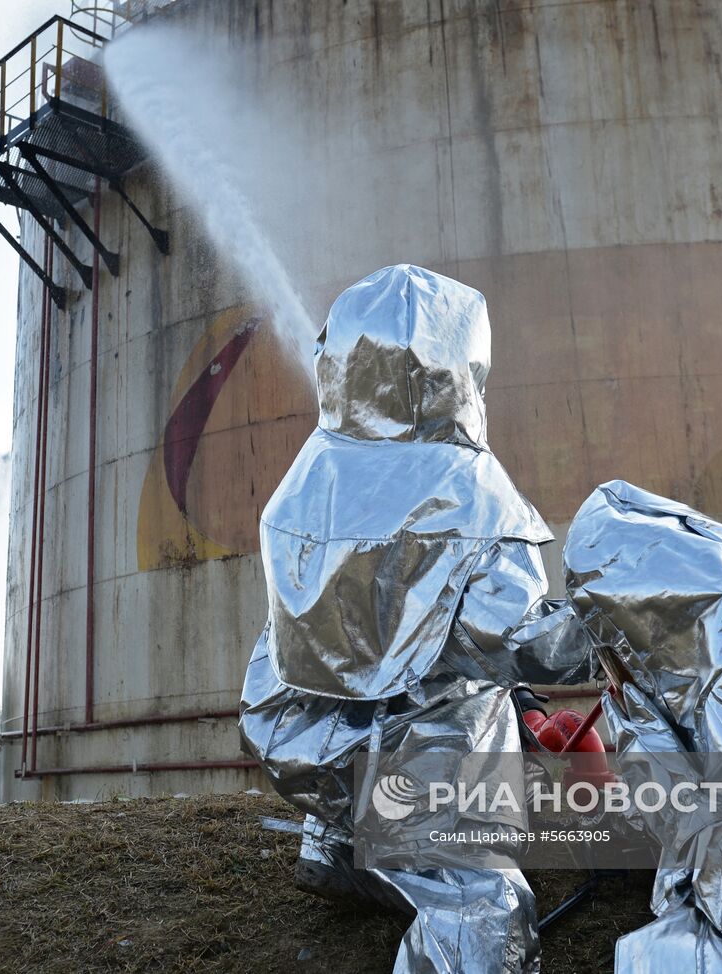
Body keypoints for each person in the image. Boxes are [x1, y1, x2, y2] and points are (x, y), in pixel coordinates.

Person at [240, 264, 598, 974]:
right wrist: (600, 638)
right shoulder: (472, 492)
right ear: (461, 366)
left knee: (372, 711)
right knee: (478, 904)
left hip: (292, 736)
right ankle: (431, 889)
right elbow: (516, 642)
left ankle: (337, 852)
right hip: (415, 766)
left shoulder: (309, 478)